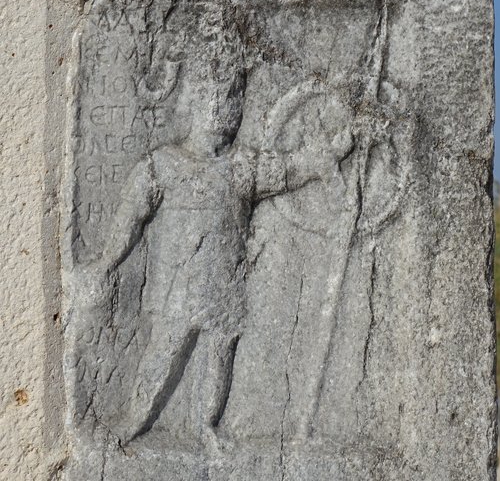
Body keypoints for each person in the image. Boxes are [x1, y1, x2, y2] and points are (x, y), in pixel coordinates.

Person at [84, 41, 348, 446]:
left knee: (218, 354)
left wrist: (327, 154)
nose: (225, 111)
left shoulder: (241, 166)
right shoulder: (164, 165)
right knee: (164, 352)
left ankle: (206, 425)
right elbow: (130, 219)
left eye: (233, 100)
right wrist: (107, 262)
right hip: (178, 283)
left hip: (225, 281)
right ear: (193, 101)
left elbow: (291, 169)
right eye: (215, 99)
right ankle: (134, 421)